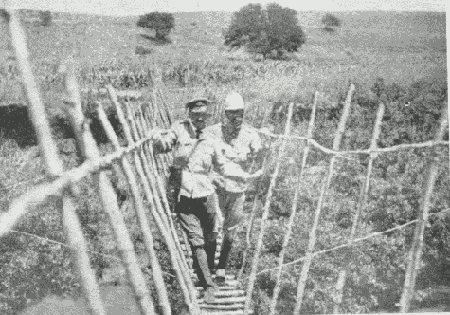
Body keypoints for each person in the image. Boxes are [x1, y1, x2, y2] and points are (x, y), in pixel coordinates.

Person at [154, 97, 260, 302]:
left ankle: (204, 268)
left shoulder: (211, 137)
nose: (199, 119)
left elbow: (221, 165)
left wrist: (243, 175)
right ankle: (208, 285)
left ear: (208, 116)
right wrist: (158, 140)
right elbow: (164, 145)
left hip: (207, 195)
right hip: (184, 196)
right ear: (189, 115)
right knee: (197, 242)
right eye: (196, 115)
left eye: (204, 115)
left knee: (211, 237)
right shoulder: (178, 129)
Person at [204, 91, 263, 285]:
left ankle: (221, 268)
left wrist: (254, 174)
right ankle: (210, 267)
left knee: (231, 231)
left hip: (238, 190)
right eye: (231, 113)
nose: (236, 117)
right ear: (225, 114)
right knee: (212, 228)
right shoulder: (212, 133)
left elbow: (260, 161)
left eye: (239, 112)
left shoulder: (251, 135)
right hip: (216, 188)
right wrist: (210, 176)